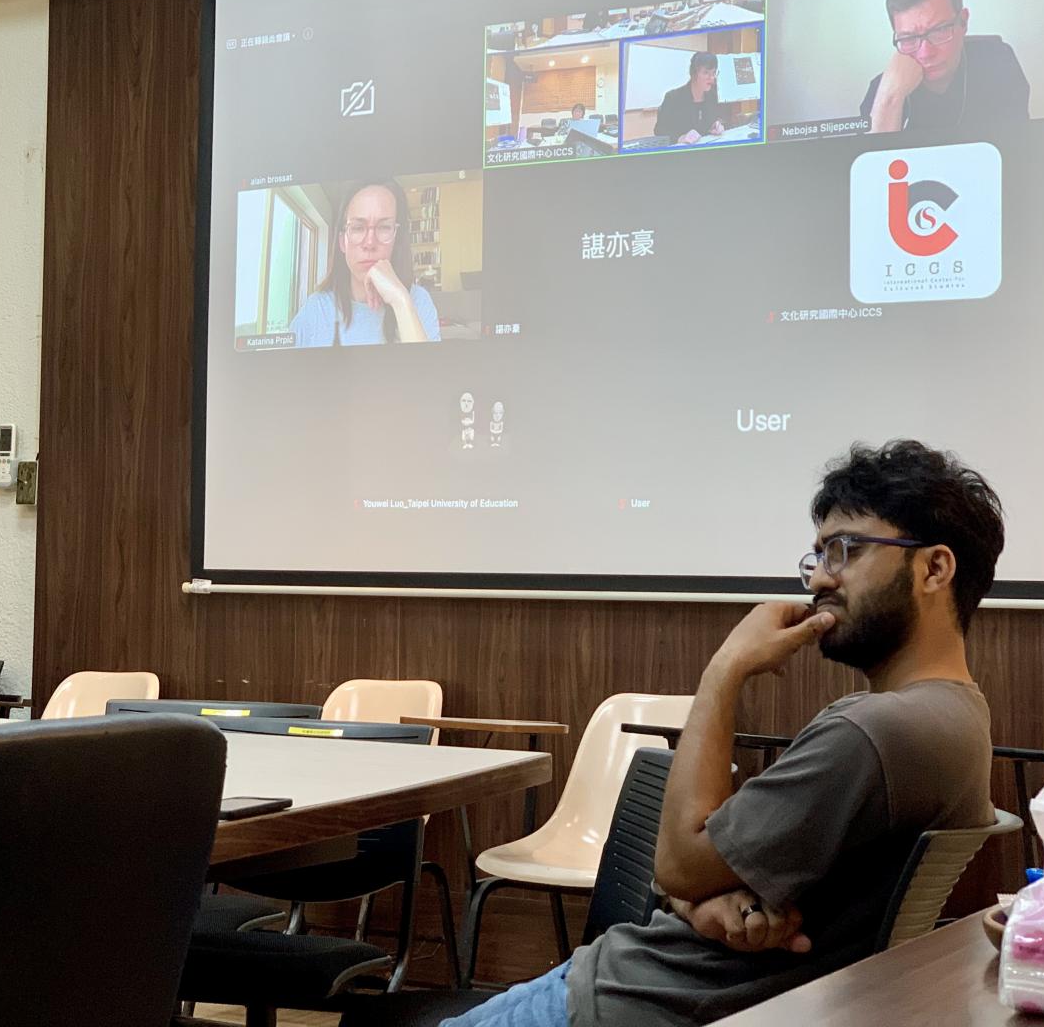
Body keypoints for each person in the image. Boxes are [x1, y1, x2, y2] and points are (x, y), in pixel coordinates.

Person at [443, 439, 1003, 1027]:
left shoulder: (874, 732)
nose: (819, 578)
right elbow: (705, 876)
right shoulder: (955, 715)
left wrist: (726, 669)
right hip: (650, 986)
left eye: (845, 549)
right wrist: (699, 903)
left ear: (934, 568)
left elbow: (678, 864)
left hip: (634, 999)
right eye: (817, 555)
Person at [861, 0, 1030, 133]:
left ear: (963, 21)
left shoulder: (997, 60)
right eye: (909, 38)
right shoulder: (882, 91)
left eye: (939, 30)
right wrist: (890, 100)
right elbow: (873, 151)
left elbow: (1017, 142)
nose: (926, 53)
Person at [288, 180, 440, 347]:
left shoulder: (418, 301)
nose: (369, 243)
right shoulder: (315, 310)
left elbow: (425, 365)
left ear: (396, 240)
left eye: (384, 227)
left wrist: (401, 302)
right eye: (358, 228)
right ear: (342, 242)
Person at [653, 52, 726, 144]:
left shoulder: (712, 96)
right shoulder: (673, 97)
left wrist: (715, 126)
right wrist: (680, 138)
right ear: (694, 74)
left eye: (714, 73)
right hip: (682, 150)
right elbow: (659, 131)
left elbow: (712, 121)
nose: (712, 78)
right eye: (706, 73)